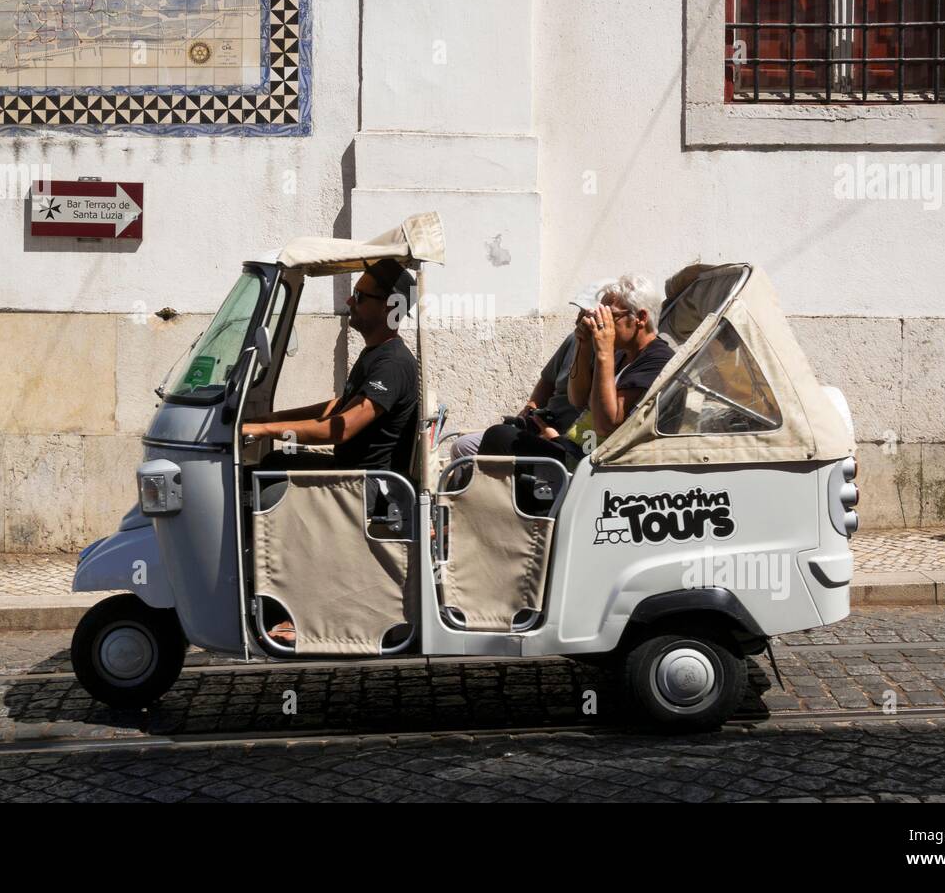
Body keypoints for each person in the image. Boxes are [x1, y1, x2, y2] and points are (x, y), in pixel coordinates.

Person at [241, 259, 418, 645]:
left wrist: (264, 429)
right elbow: (335, 408)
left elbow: (343, 428)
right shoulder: (375, 355)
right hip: (351, 476)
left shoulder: (393, 363)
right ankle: (262, 589)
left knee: (272, 487)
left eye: (360, 296)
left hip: (367, 488)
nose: (350, 303)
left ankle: (301, 611)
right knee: (270, 465)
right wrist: (266, 417)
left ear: (390, 308)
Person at [476, 273, 673, 468]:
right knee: (502, 435)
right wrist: (583, 346)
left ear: (640, 317)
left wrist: (604, 352)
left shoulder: (657, 359)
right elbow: (577, 400)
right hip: (574, 447)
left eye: (610, 316)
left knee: (500, 437)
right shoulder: (623, 353)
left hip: (592, 461)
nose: (601, 324)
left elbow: (607, 424)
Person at [447, 281, 606, 462]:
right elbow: (547, 380)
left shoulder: (610, 355)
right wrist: (531, 407)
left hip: (565, 439)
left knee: (494, 439)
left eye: (586, 315)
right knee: (464, 446)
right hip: (541, 425)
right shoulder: (573, 339)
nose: (579, 320)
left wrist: (555, 437)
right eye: (580, 313)